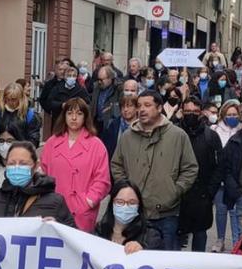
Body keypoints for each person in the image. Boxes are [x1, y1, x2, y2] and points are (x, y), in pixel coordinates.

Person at [110, 90, 199, 250]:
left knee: (164, 263)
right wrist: (126, 190)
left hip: (166, 214)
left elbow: (190, 168)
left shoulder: (178, 136)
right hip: (134, 213)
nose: (142, 109)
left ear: (159, 108)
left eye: (147, 105)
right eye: (139, 106)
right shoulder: (127, 137)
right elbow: (117, 165)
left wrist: (174, 190)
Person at [41, 98, 112, 231]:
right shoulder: (52, 142)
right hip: (54, 208)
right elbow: (42, 174)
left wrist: (89, 201)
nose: (74, 118)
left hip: (81, 212)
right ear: (64, 116)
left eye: (79, 114)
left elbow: (102, 180)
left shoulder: (96, 145)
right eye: (70, 113)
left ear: (85, 116)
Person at [0, 142, 76, 225]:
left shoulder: (55, 202)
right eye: (11, 163)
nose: (16, 167)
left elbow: (73, 239)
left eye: (23, 163)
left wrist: (57, 227)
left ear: (36, 165)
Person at [176, 98, 222, 251]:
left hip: (202, 196)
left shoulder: (211, 137)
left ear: (201, 113)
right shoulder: (173, 134)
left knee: (200, 237)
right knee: (175, 239)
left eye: (195, 112)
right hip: (178, 195)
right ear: (182, 112)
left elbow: (218, 167)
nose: (191, 115)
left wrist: (210, 192)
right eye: (187, 111)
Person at [94, 181, 163, 253]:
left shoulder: (150, 235)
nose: (125, 206)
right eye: (120, 202)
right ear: (112, 204)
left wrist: (143, 248)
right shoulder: (99, 231)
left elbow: (158, 258)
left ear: (139, 206)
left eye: (132, 203)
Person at [38, 59, 90, 138]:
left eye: (73, 76)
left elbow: (87, 103)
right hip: (58, 120)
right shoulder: (57, 88)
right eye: (69, 76)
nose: (71, 78)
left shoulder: (81, 89)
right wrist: (60, 105)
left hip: (75, 121)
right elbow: (49, 101)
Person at [91, 66, 121, 134]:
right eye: (98, 79)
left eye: (101, 79)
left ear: (110, 78)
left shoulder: (118, 89)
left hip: (110, 124)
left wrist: (112, 107)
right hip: (96, 123)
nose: (99, 82)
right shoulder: (96, 87)